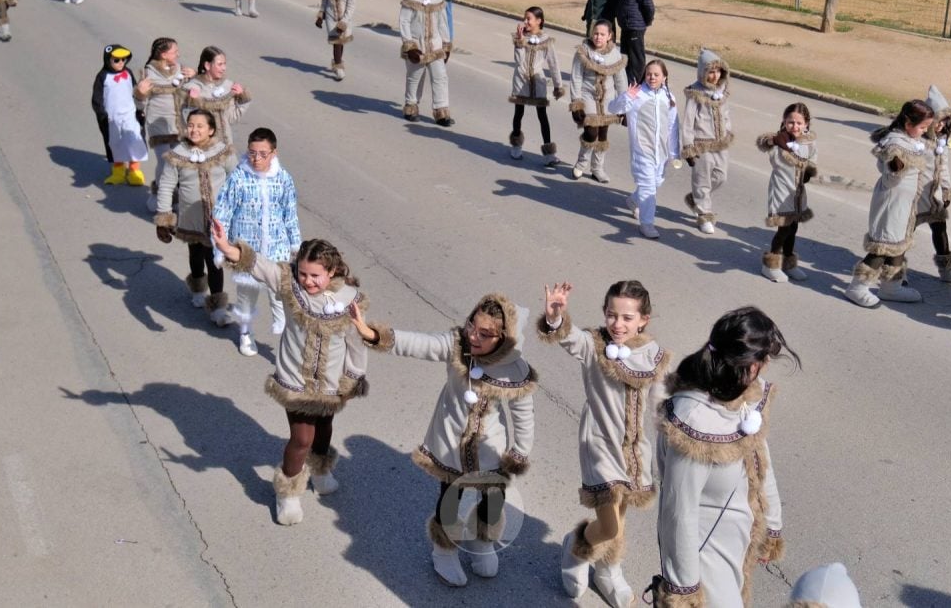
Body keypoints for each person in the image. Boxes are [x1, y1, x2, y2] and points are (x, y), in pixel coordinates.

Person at [351, 293, 536, 587]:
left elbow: (523, 412)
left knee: (493, 497)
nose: (473, 335)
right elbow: (419, 343)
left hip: (490, 447)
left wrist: (519, 452)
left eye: (484, 334)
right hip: (451, 442)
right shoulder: (456, 345)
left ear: (503, 338)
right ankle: (444, 549)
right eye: (471, 326)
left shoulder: (513, 367)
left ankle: (481, 540)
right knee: (452, 498)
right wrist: (373, 334)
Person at [212, 224, 368, 524]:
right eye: (303, 273)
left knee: (324, 428)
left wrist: (355, 375)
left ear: (332, 271)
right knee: (302, 438)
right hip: (295, 380)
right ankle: (287, 494)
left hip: (331, 384)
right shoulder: (290, 285)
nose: (308, 281)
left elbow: (356, 340)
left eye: (315, 276)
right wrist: (227, 247)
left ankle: (321, 471)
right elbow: (257, 265)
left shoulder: (349, 298)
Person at [648, 307, 795, 607]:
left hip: (736, 540)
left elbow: (760, 462)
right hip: (704, 552)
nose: (767, 365)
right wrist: (685, 590)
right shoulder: (693, 420)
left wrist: (772, 526)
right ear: (748, 364)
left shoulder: (746, 393)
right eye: (764, 358)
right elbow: (679, 511)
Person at [540, 280, 669, 607]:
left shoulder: (652, 354)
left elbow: (660, 403)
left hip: (634, 450)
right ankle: (577, 547)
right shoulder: (594, 344)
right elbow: (570, 338)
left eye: (627, 318)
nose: (618, 324)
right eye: (612, 315)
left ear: (644, 320)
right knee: (609, 525)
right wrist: (556, 317)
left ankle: (608, 570)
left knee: (620, 514)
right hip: (599, 442)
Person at [211, 127, 302, 356]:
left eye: (263, 154)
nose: (257, 158)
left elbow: (290, 214)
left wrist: (296, 246)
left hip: (277, 248)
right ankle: (245, 332)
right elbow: (222, 213)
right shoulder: (238, 178)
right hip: (246, 250)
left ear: (273, 153)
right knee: (246, 296)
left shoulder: (283, 179)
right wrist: (220, 249)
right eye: (252, 153)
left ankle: (284, 332)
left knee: (281, 292)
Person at [844, 100, 934, 308]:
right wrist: (897, 166)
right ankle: (857, 286)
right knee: (883, 246)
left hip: (905, 203)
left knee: (899, 243)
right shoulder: (895, 143)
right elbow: (892, 170)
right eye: (922, 127)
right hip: (891, 202)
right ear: (908, 122)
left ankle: (891, 286)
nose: (925, 131)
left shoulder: (909, 139)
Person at [154, 108, 232, 324]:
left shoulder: (222, 152)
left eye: (200, 126)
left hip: (217, 220)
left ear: (211, 130)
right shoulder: (177, 153)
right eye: (190, 125)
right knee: (196, 254)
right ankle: (198, 288)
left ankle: (218, 309)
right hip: (190, 217)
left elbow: (236, 181)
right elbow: (167, 185)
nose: (194, 129)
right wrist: (164, 217)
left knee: (214, 259)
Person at [609, 59, 680, 239]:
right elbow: (613, 108)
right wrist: (627, 97)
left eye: (656, 74)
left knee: (656, 183)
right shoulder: (637, 94)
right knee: (648, 188)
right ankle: (647, 224)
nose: (652, 77)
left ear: (664, 77)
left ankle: (633, 200)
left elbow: (673, 126)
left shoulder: (669, 98)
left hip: (661, 153)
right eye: (649, 74)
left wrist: (674, 153)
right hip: (643, 151)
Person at [757, 103, 818, 283]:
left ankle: (788, 262)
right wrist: (777, 143)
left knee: (793, 228)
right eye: (791, 122)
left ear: (806, 124)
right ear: (784, 122)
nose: (795, 126)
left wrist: (809, 171)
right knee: (784, 228)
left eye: (799, 123)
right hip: (781, 190)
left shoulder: (808, 142)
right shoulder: (778, 142)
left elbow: (813, 159)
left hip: (798, 193)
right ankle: (770, 264)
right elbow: (770, 152)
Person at [913, 85, 951, 283]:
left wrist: (946, 190)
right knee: (904, 235)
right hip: (915, 196)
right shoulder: (917, 141)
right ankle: (892, 271)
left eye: (945, 123)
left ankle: (946, 269)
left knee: (940, 230)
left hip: (933, 197)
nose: (941, 126)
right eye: (938, 122)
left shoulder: (941, 143)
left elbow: (944, 168)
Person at [680, 48, 734, 235]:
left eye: (718, 71)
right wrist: (688, 147)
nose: (715, 75)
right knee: (702, 180)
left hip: (720, 144)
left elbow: (726, 115)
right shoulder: (696, 92)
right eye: (711, 72)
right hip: (701, 144)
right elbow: (688, 122)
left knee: (721, 177)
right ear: (703, 72)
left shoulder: (722, 91)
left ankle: (697, 198)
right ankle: (704, 214)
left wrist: (728, 132)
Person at [568, 19, 628, 182]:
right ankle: (581, 163)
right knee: (591, 132)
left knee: (602, 134)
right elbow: (576, 77)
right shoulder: (583, 51)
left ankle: (597, 169)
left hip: (608, 101)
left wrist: (624, 105)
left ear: (609, 36)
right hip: (588, 96)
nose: (598, 37)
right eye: (595, 33)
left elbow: (620, 81)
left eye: (602, 34)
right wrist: (576, 102)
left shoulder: (615, 54)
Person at [135, 37, 197, 188]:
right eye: (175, 51)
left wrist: (194, 77)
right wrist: (140, 94)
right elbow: (140, 105)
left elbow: (193, 93)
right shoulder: (149, 73)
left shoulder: (180, 69)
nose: (178, 54)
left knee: (179, 164)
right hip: (159, 125)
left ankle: (174, 196)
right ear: (164, 55)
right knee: (164, 163)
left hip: (179, 125)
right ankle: (159, 198)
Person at [508, 6, 565, 165]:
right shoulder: (521, 37)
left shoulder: (547, 40)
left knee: (542, 116)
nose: (525, 21)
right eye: (524, 18)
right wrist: (519, 42)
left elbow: (553, 64)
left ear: (539, 21)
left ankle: (549, 154)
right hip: (521, 81)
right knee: (518, 113)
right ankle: (516, 145)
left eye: (529, 19)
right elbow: (518, 61)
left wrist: (558, 85)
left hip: (538, 82)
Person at [400, 0, 454, 126]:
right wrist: (409, 45)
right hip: (417, 46)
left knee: (440, 78)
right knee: (415, 78)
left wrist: (446, 45)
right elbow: (404, 22)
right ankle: (411, 107)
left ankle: (441, 112)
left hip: (435, 46)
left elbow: (443, 23)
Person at [91, 44, 148, 186]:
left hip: (130, 114)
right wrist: (102, 115)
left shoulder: (127, 72)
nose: (121, 63)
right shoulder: (102, 76)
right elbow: (97, 99)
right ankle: (118, 172)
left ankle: (134, 171)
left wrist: (140, 102)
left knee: (134, 140)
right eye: (116, 60)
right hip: (112, 118)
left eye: (123, 59)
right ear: (108, 60)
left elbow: (135, 90)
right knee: (115, 143)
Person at [183, 46, 251, 149]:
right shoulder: (194, 87)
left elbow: (231, 118)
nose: (224, 68)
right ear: (207, 65)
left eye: (224, 64)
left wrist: (243, 100)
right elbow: (186, 120)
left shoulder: (228, 86)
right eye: (220, 64)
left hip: (225, 146)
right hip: (202, 149)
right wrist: (193, 101)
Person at [617, 0, 655, 84]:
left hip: (635, 28)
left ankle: (637, 82)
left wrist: (645, 22)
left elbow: (648, 7)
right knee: (625, 55)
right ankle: (626, 80)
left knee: (636, 57)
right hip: (626, 26)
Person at [315, 0, 356, 80]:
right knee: (336, 41)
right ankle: (339, 67)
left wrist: (344, 22)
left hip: (344, 19)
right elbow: (324, 1)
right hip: (330, 18)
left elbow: (351, 7)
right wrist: (320, 16)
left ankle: (337, 62)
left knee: (341, 41)